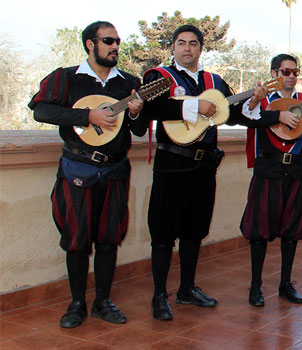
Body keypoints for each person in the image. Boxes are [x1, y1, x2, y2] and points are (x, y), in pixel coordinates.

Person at [140, 24, 270, 320]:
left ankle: (187, 288)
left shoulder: (215, 80)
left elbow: (233, 115)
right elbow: (150, 110)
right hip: (171, 165)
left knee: (193, 231)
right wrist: (195, 107)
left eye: (193, 44)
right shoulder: (159, 77)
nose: (187, 48)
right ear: (173, 48)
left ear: (201, 48)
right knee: (162, 233)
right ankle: (160, 294)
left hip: (203, 165)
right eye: (181, 43)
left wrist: (253, 101)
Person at [28, 21, 146, 328]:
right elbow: (41, 111)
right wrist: (86, 115)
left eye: (118, 41)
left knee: (108, 239)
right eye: (108, 40)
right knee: (77, 239)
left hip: (115, 169)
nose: (115, 46)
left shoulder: (129, 82)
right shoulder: (66, 78)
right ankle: (77, 303)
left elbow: (139, 129)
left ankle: (103, 301)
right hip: (77, 168)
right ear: (90, 44)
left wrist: (134, 111)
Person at [240, 53, 302, 306]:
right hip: (269, 170)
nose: (291, 76)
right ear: (274, 74)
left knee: (291, 231)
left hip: (296, 172)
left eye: (295, 72)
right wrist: (278, 117)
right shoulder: (262, 101)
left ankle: (285, 284)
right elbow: (248, 117)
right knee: (259, 231)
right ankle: (255, 286)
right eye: (286, 71)